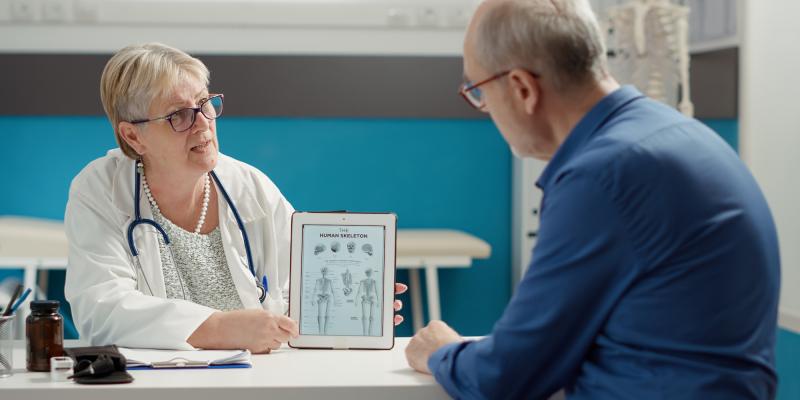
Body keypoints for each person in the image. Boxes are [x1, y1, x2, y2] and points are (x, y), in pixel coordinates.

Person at [405, 1, 780, 399]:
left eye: (479, 92)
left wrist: (442, 352)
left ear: (522, 88)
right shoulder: (679, 136)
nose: (485, 109)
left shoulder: (603, 175)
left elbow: (508, 376)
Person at [65, 43, 406, 352]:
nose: (203, 125)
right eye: (178, 116)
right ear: (133, 136)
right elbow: (100, 311)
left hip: (253, 379)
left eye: (205, 104)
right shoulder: (100, 189)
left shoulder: (250, 187)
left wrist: (344, 313)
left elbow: (295, 294)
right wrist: (219, 328)